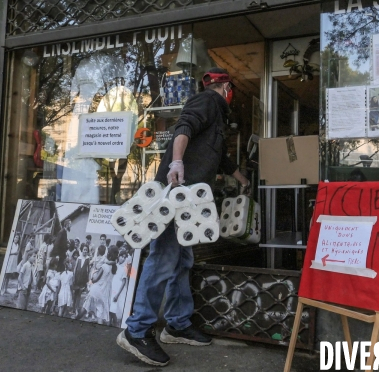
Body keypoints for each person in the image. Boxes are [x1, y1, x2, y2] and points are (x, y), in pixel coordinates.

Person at [117, 68, 250, 366]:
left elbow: (221, 158)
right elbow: (183, 128)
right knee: (163, 258)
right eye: (231, 90)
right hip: (176, 194)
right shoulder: (207, 101)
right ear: (227, 86)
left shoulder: (218, 117)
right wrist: (176, 161)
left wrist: (242, 180)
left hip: (190, 199)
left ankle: (177, 323)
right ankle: (136, 331)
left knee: (182, 260)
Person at [76, 245, 117, 325]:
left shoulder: (104, 266)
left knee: (85, 307)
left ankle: (74, 321)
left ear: (108, 254)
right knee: (100, 314)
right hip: (104, 293)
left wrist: (92, 277)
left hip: (96, 290)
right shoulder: (114, 268)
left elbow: (95, 279)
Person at [109, 248, 129, 327]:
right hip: (112, 288)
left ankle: (115, 324)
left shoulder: (124, 269)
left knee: (113, 310)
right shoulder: (115, 265)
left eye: (124, 257)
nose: (123, 258)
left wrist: (117, 294)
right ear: (118, 256)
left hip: (117, 291)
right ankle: (109, 324)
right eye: (122, 256)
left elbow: (124, 282)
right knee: (110, 309)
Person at [71, 245, 91, 316]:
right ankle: (73, 309)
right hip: (77, 279)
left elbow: (88, 270)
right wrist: (74, 278)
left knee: (79, 294)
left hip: (83, 279)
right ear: (82, 250)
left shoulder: (88, 259)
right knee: (75, 294)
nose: (85, 251)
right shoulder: (79, 258)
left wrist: (87, 281)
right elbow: (75, 268)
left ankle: (77, 309)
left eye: (86, 250)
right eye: (84, 250)